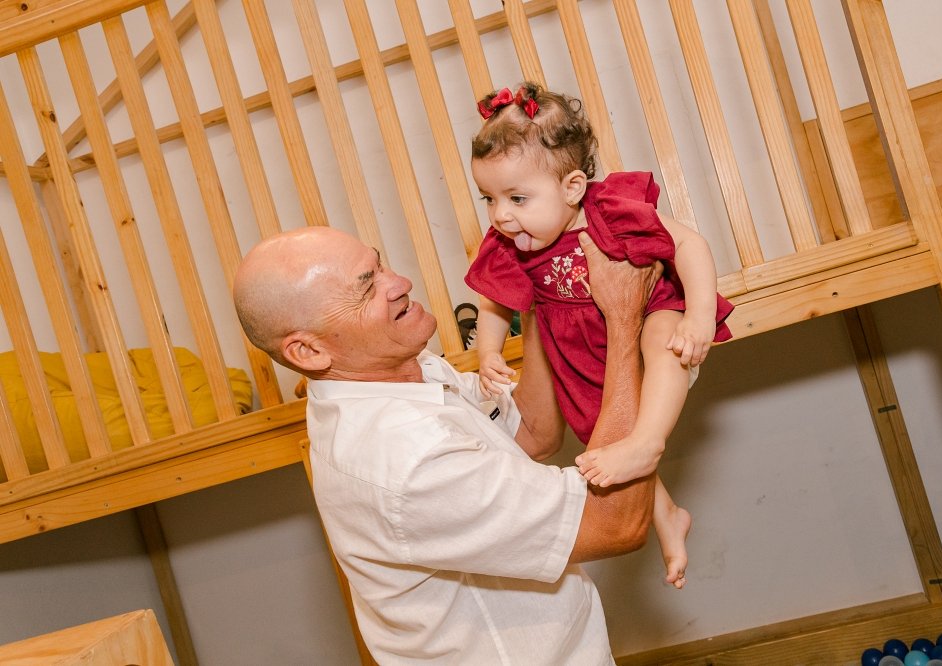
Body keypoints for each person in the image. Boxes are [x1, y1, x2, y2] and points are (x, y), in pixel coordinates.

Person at [233, 224, 661, 664]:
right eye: (367, 288)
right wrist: (623, 320)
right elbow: (615, 524)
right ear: (308, 352)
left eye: (379, 265)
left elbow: (531, 432)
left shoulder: (402, 368)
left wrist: (537, 291)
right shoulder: (403, 456)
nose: (400, 283)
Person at [466, 82, 734, 587]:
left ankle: (650, 441)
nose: (501, 214)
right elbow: (493, 299)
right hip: (583, 353)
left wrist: (699, 316)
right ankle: (667, 516)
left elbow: (688, 245)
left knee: (661, 341)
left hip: (650, 313)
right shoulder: (510, 242)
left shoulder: (608, 210)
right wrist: (488, 351)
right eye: (490, 198)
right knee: (601, 435)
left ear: (572, 188)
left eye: (517, 197)